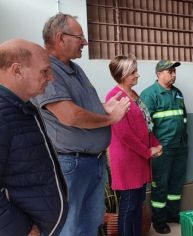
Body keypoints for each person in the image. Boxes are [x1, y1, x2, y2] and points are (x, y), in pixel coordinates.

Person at [32, 13, 130, 236]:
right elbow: (70, 116)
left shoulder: (75, 69)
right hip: (71, 164)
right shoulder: (48, 70)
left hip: (92, 163)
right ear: (60, 37)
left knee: (91, 222)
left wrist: (103, 107)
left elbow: (83, 106)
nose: (85, 42)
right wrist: (111, 119)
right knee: (71, 225)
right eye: (80, 37)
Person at [0, 39, 68, 235]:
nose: (51, 78)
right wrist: (23, 229)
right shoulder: (3, 113)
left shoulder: (22, 107)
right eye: (45, 71)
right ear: (17, 70)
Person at [106, 55, 163, 236]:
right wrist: (147, 151)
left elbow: (146, 125)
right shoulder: (114, 96)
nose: (138, 75)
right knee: (129, 206)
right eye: (133, 72)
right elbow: (124, 135)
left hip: (138, 157)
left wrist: (156, 144)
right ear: (122, 74)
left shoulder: (133, 94)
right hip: (128, 158)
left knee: (137, 204)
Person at [140, 60, 188, 234]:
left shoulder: (178, 93)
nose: (174, 75)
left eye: (174, 71)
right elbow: (145, 126)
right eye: (170, 71)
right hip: (162, 150)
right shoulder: (149, 94)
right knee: (160, 185)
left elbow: (183, 119)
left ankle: (172, 214)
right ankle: (159, 220)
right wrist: (154, 147)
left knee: (176, 184)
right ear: (159, 74)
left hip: (180, 147)